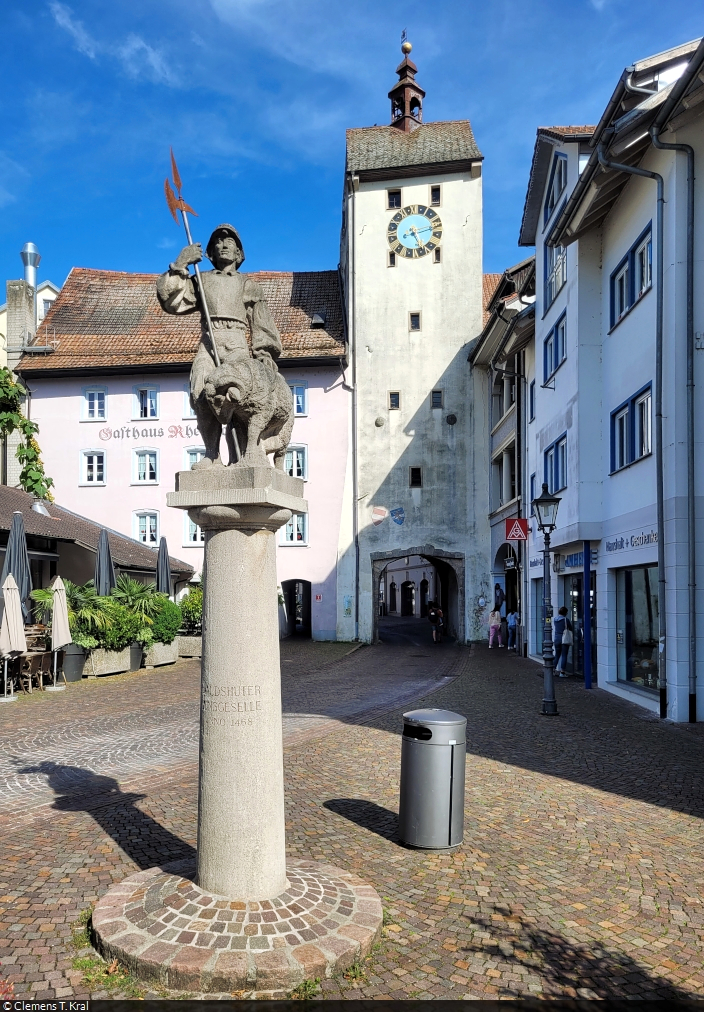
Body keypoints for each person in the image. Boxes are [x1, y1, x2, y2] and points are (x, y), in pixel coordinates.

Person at [553, 606, 573, 676]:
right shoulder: (565, 620)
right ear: (566, 613)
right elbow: (570, 628)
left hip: (556, 638)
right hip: (564, 638)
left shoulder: (555, 619)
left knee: (557, 655)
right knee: (564, 655)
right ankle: (562, 672)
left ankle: (553, 670)